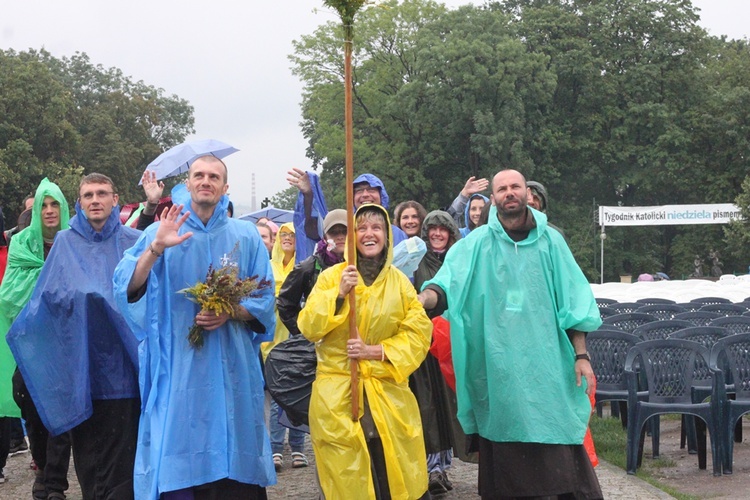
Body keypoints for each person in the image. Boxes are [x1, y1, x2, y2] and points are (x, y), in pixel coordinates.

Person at [418, 169, 603, 499]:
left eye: (515, 186)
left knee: (555, 431)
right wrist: (424, 298)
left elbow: (574, 303)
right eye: (501, 188)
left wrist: (582, 355)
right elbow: (446, 283)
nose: (509, 193)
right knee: (505, 442)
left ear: (526, 192)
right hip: (499, 368)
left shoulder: (551, 242)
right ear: (494, 199)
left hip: (547, 365)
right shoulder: (476, 245)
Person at [113, 156, 276, 499]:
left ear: (224, 187)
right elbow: (127, 287)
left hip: (231, 367)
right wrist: (156, 248)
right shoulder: (162, 231)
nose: (206, 181)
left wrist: (229, 312)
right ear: (187, 184)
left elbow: (264, 300)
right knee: (182, 448)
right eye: (198, 175)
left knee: (234, 450)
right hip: (179, 367)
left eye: (214, 176)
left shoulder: (244, 236)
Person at [7, 174, 140, 499]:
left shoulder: (134, 241)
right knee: (91, 473)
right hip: (82, 376)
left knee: (124, 475)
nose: (95, 199)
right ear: (79, 202)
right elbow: (47, 303)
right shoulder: (66, 243)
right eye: (88, 194)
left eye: (102, 193)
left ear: (115, 198)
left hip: (124, 378)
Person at [298, 203, 432, 499]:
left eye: (377, 228)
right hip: (338, 400)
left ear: (387, 235)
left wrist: (377, 351)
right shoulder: (333, 277)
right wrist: (339, 295)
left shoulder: (399, 283)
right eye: (361, 228)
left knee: (394, 477)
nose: (369, 234)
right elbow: (308, 326)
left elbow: (419, 332)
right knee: (347, 481)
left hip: (388, 398)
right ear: (352, 236)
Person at [0, 179, 73, 500]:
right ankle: (42, 465)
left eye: (54, 204)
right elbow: (10, 295)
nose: (48, 210)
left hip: (68, 343)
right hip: (32, 343)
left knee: (62, 411)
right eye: (43, 205)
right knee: (28, 403)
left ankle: (54, 482)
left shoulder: (73, 242)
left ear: (63, 208)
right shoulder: (22, 245)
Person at [410, 210, 470, 495]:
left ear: (450, 233)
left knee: (451, 406)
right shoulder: (414, 261)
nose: (436, 234)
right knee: (427, 405)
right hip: (423, 345)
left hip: (452, 343)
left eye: (442, 229)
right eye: (431, 229)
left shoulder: (459, 261)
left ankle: (443, 465)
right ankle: (432, 467)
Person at [260, 222, 308, 471]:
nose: (287, 238)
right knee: (279, 393)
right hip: (273, 340)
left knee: (298, 393)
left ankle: (298, 448)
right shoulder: (268, 266)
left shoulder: (305, 267)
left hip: (297, 336)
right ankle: (276, 449)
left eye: (292, 234)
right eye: (283, 235)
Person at [287, 168, 408, 262]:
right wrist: (309, 195)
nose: (365, 195)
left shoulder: (397, 234)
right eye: (359, 191)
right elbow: (313, 233)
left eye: (371, 190)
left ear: (382, 196)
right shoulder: (345, 228)